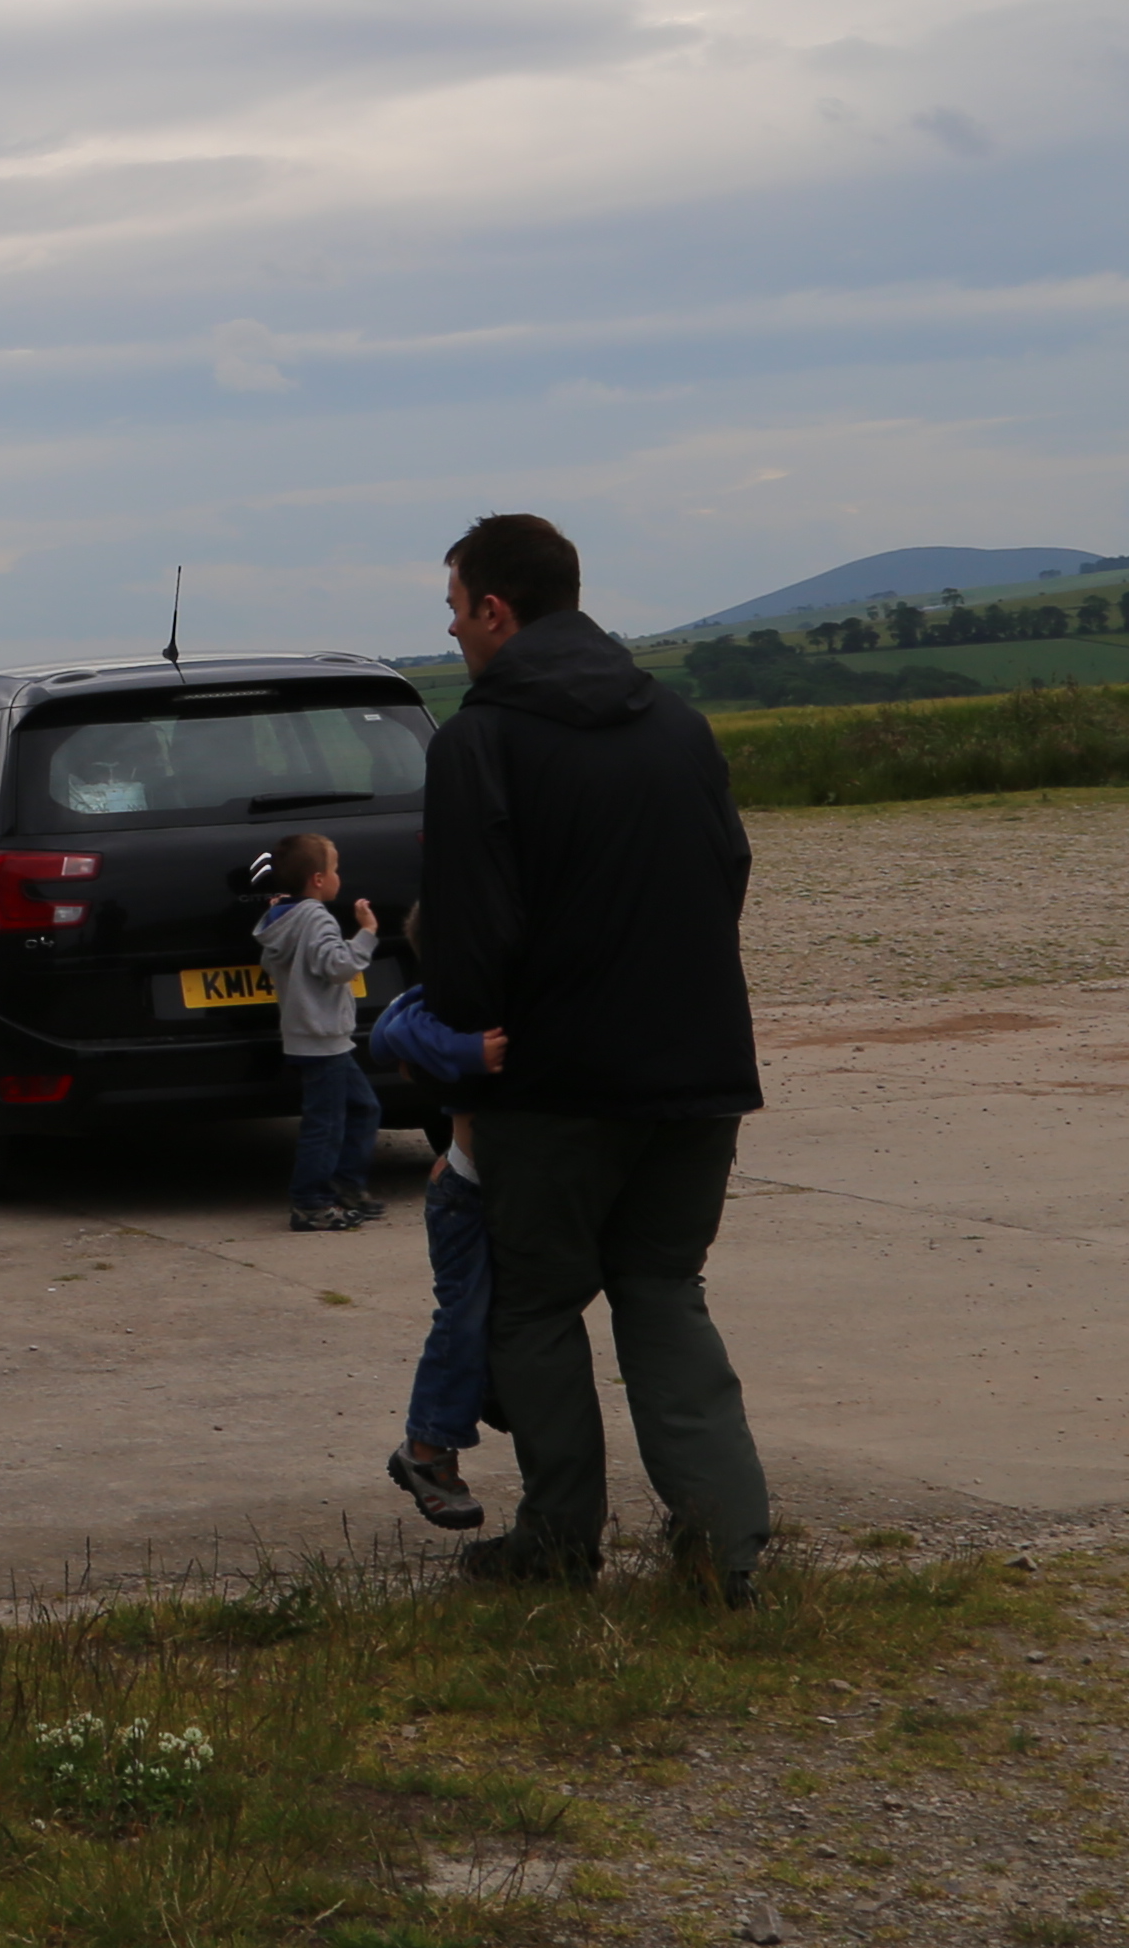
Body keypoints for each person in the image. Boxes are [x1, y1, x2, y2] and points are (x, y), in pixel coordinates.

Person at [419, 509, 772, 1599]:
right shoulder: (677, 723)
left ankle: (559, 1540)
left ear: (496, 610)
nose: (454, 638)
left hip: (555, 1081)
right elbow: (731, 874)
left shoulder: (479, 740)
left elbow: (470, 943)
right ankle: (723, 1546)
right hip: (699, 1069)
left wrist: (461, 1062)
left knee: (536, 1305)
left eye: (455, 613)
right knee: (663, 1289)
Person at [367, 987, 504, 1530]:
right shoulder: (465, 996)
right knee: (464, 1316)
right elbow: (388, 1034)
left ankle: (491, 1392)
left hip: (505, 1191)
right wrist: (467, 1052)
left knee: (504, 1316)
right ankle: (428, 1448)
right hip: (464, 1192)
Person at [253, 832, 383, 1230]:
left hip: (318, 1038)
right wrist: (366, 934)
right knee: (324, 1125)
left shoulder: (284, 916)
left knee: (363, 1108)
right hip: (321, 1039)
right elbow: (337, 967)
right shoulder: (314, 918)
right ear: (319, 879)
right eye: (335, 868)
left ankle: (346, 1184)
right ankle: (310, 1203)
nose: (339, 875)